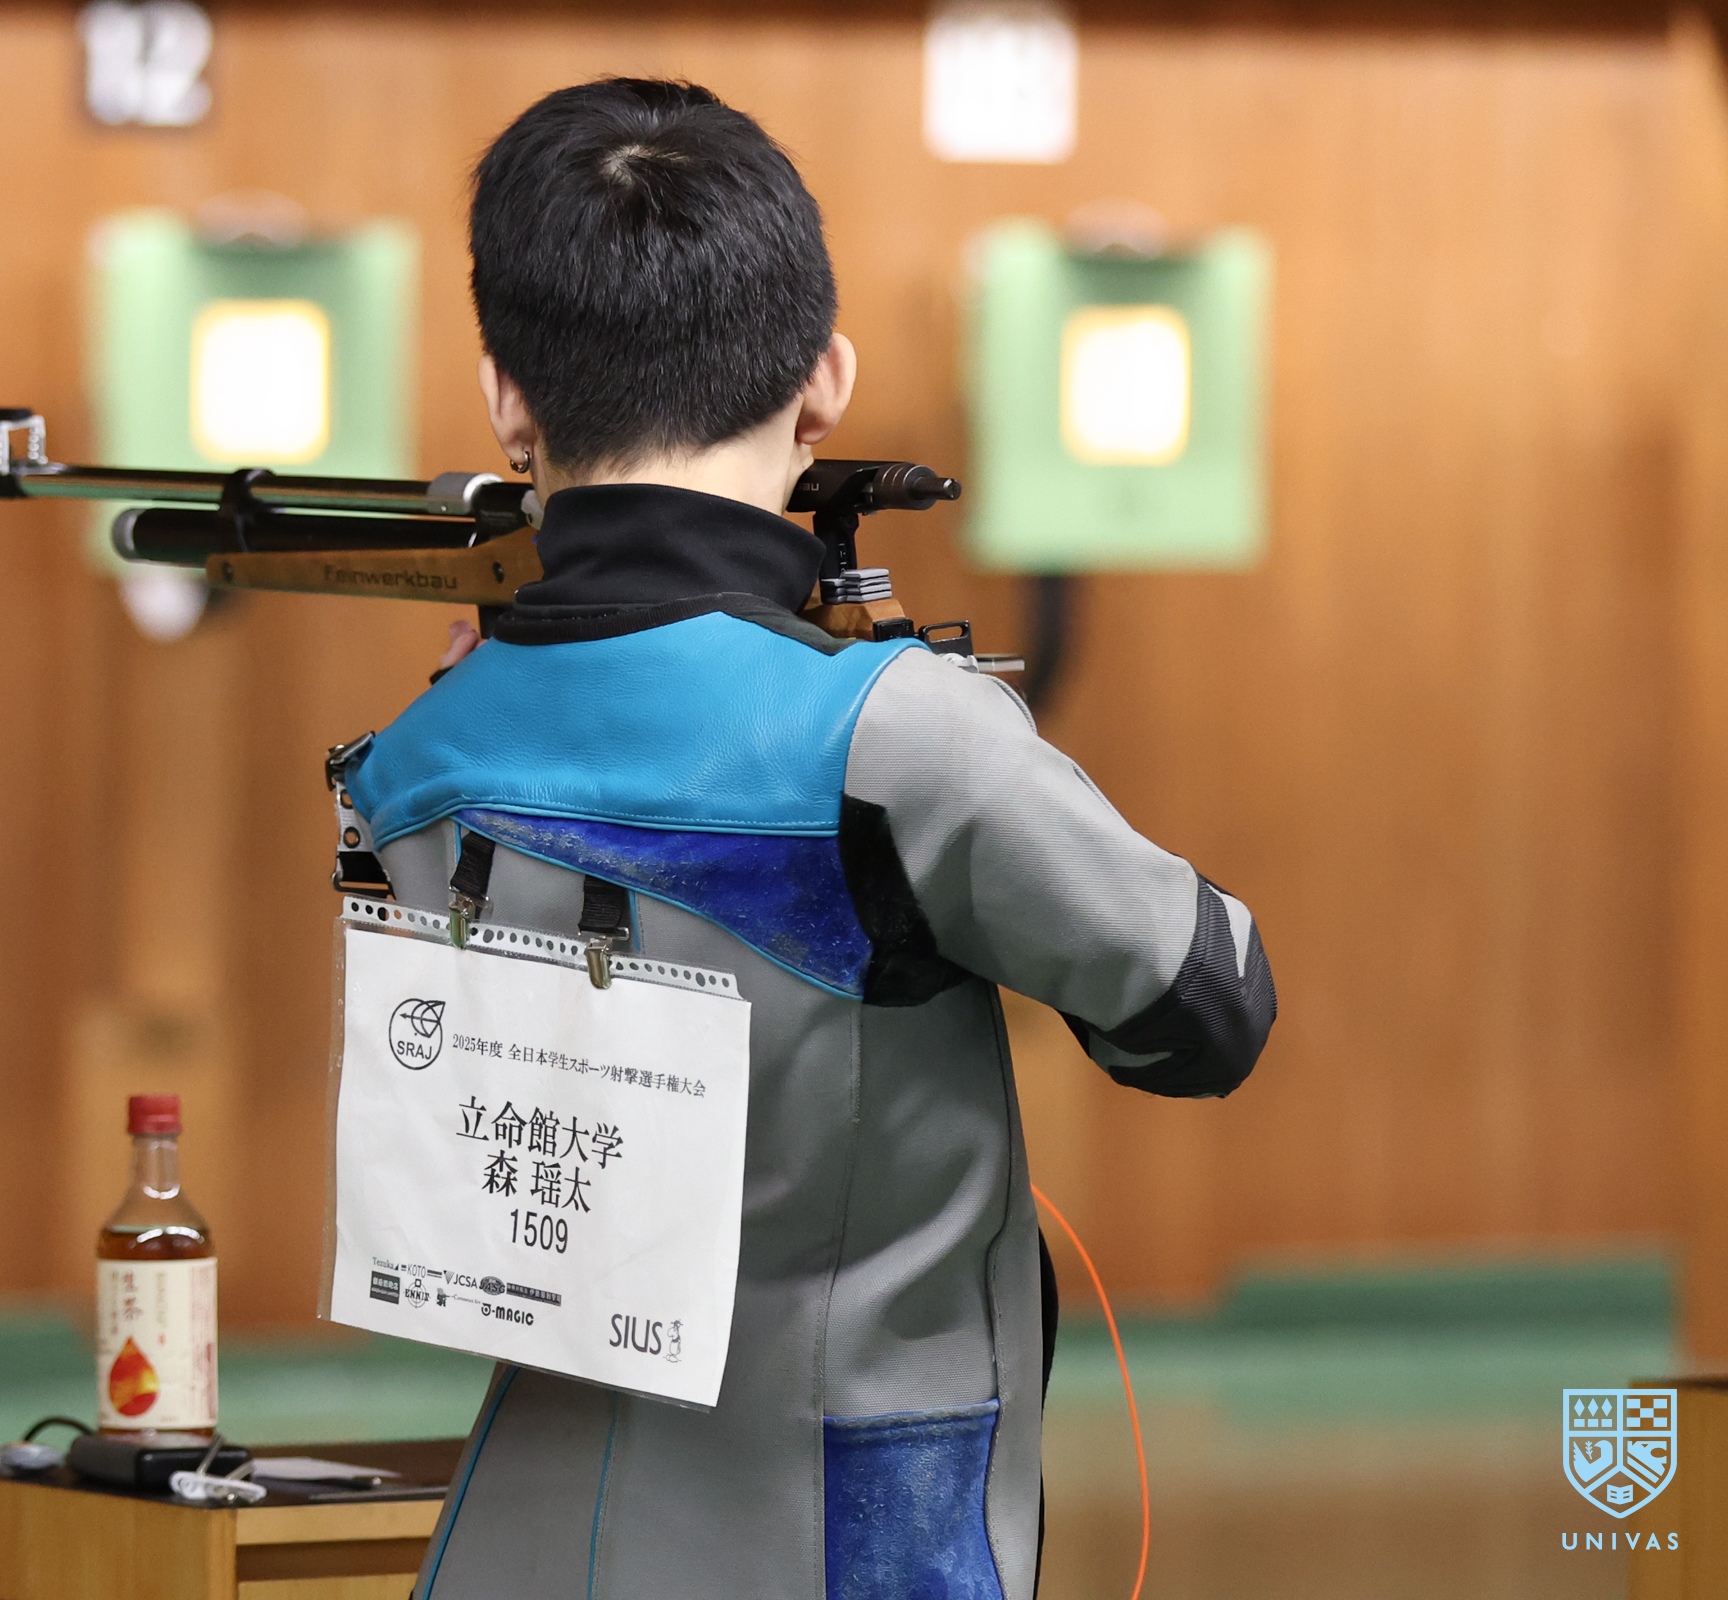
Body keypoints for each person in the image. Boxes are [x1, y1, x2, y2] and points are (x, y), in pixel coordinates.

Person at [339, 78, 1275, 1600]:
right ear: (825, 380)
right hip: (847, 1534)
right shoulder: (900, 740)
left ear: (509, 399)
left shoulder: (410, 756)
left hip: (518, 1528)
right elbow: (1205, 1004)